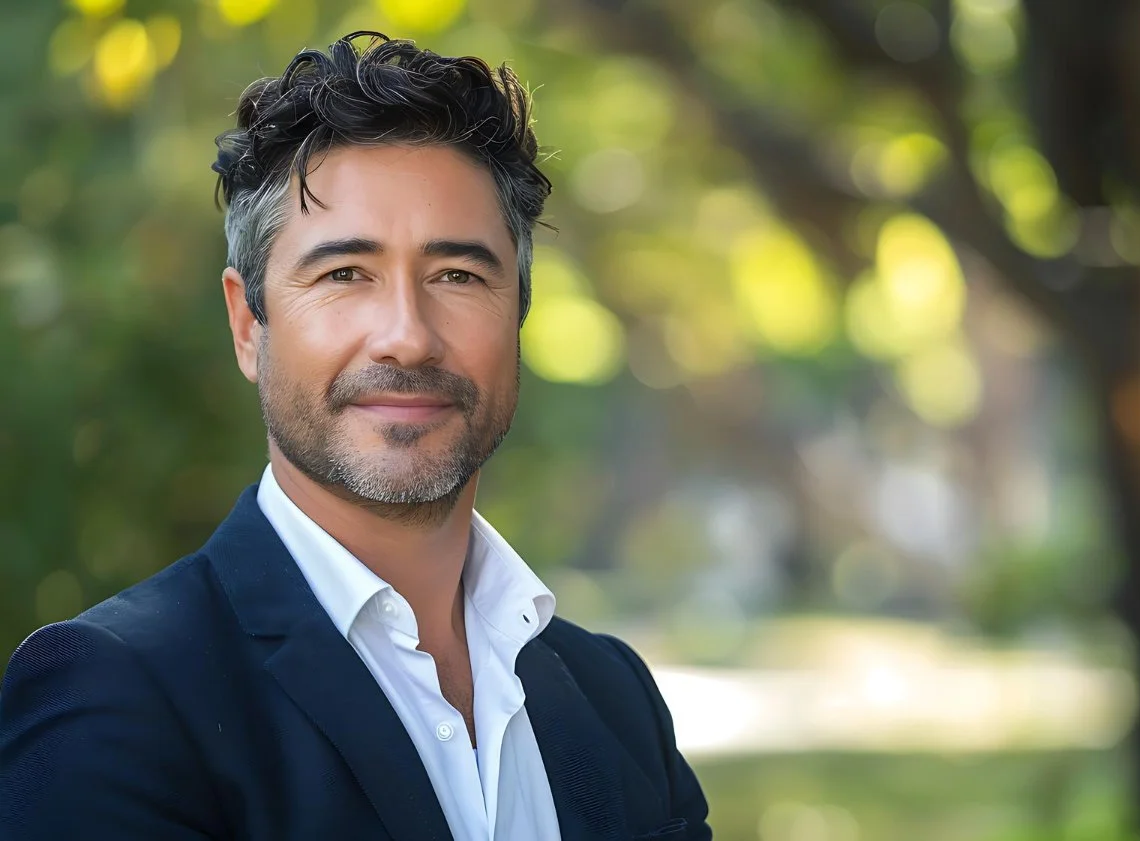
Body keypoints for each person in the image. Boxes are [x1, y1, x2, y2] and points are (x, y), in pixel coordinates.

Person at [0, 31, 710, 841]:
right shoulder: (115, 697)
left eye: (458, 275)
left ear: (518, 315)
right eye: (344, 275)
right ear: (247, 324)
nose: (407, 336)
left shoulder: (614, 696)